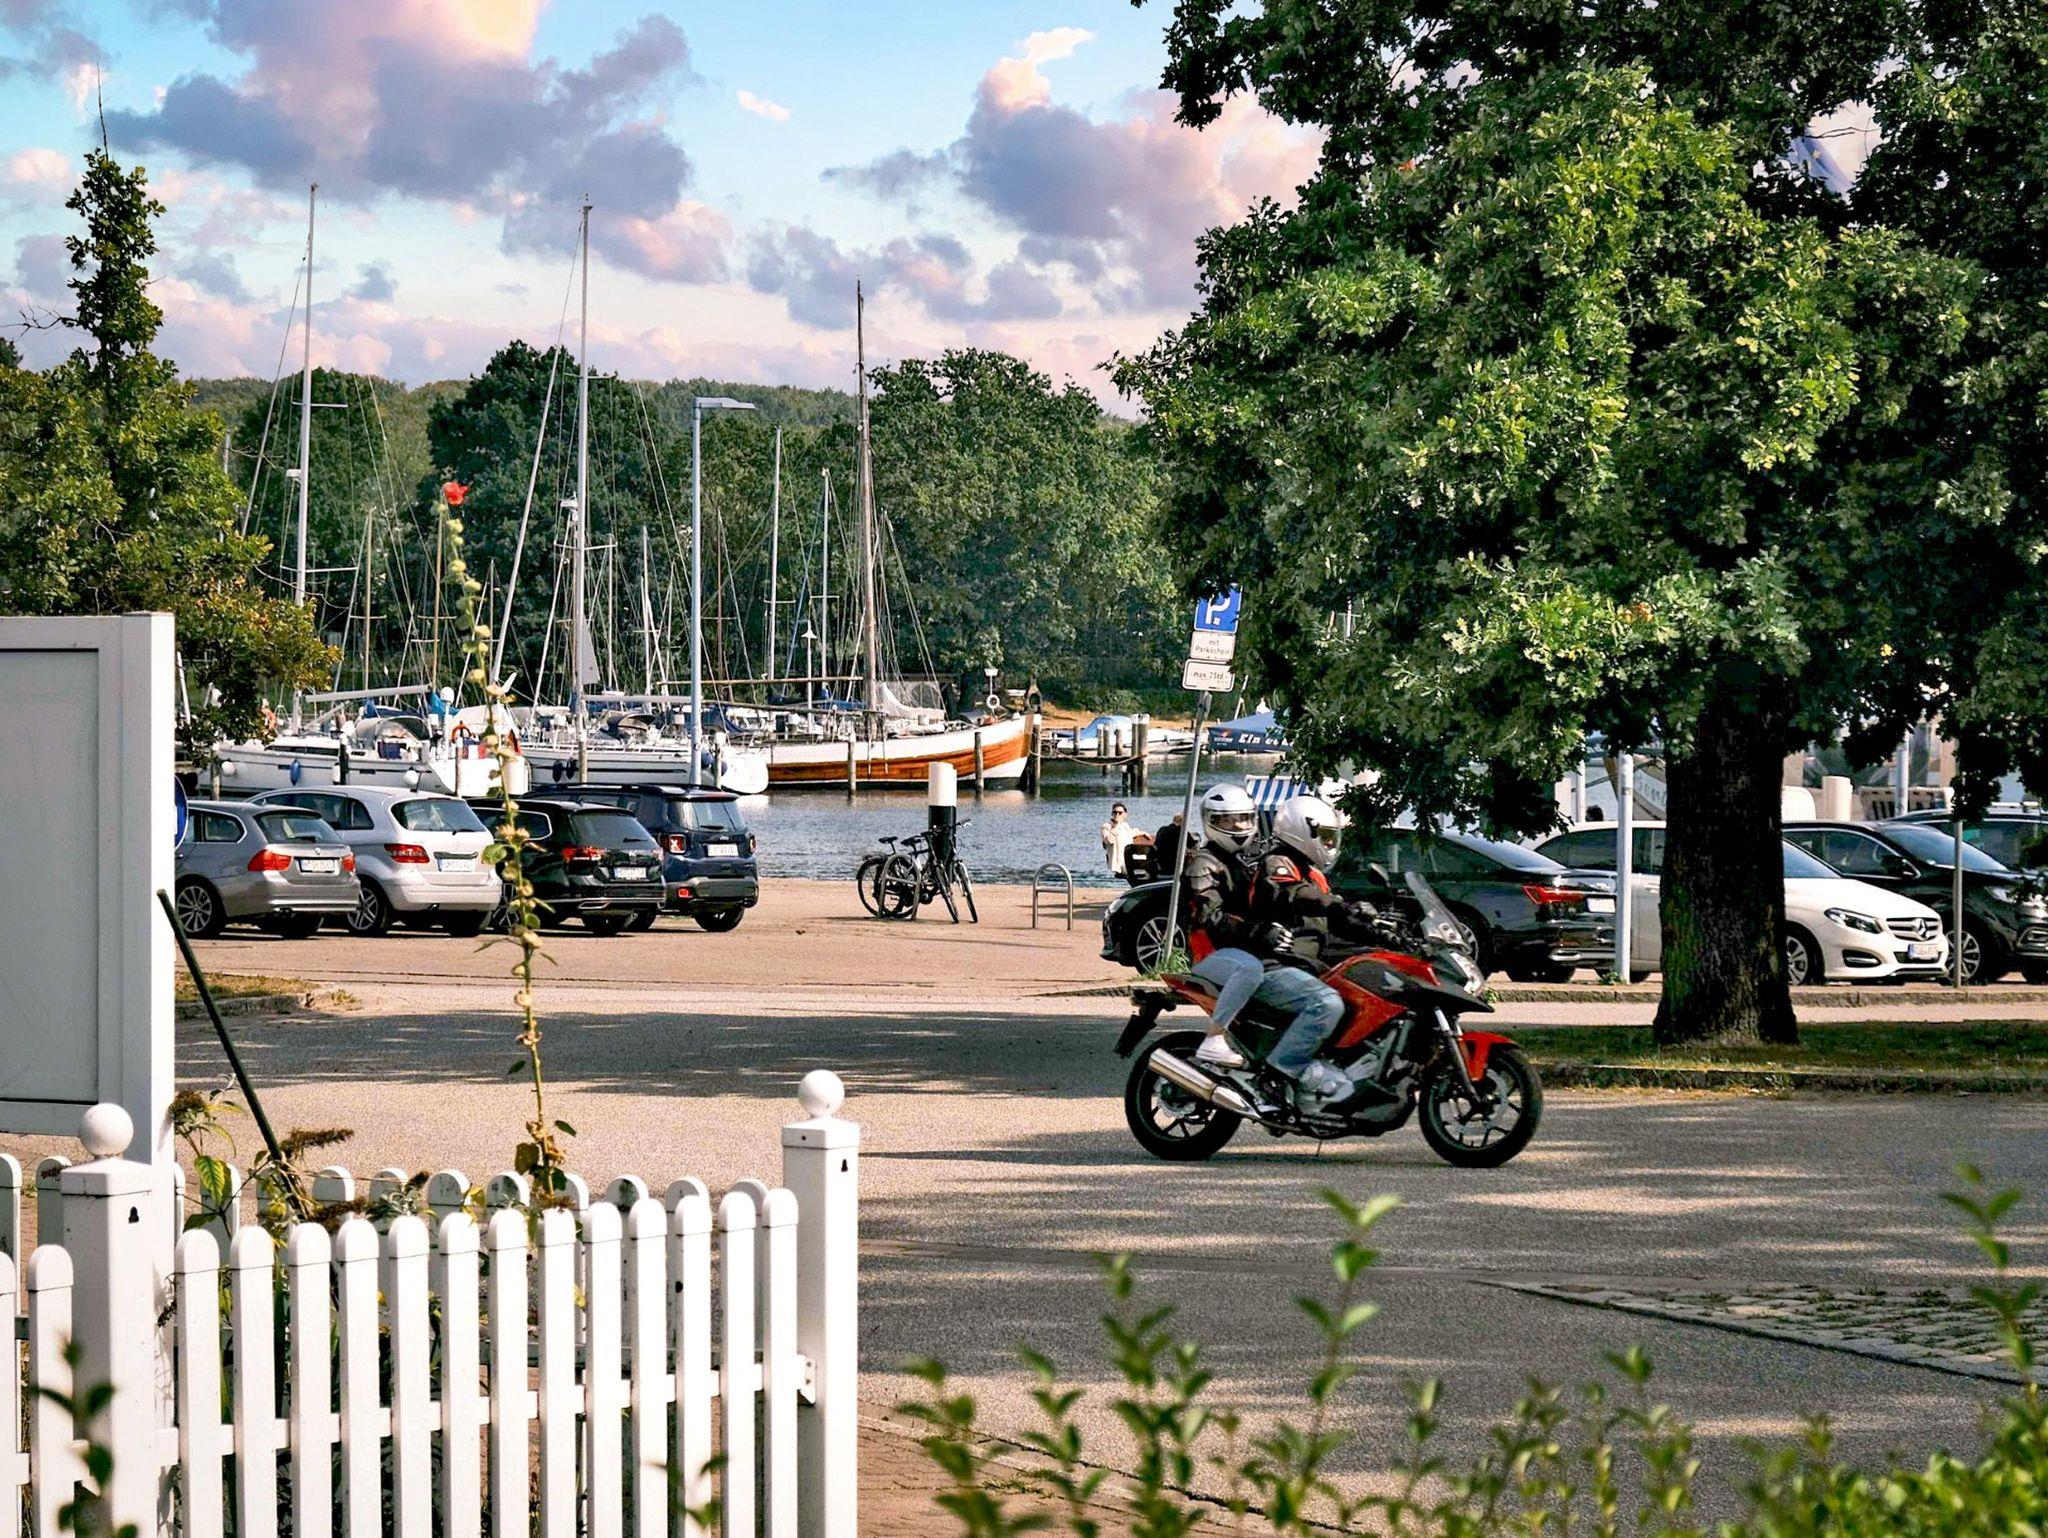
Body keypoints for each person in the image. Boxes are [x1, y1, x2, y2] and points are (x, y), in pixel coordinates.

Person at [1178, 786, 1348, 1109]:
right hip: (1209, 952)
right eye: (1228, 821)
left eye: (1244, 819)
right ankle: (1215, 1036)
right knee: (1251, 970)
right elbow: (1209, 918)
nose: (1238, 827)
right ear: (1210, 822)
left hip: (1236, 951)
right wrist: (1259, 932)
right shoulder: (1204, 863)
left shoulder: (1238, 862)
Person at [1101, 802, 1136, 878]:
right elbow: (1109, 840)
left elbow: (1132, 833)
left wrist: (1143, 833)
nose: (1117, 815)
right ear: (1112, 814)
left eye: (1120, 813)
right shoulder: (1106, 827)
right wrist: (1115, 826)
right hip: (1117, 864)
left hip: (1127, 860)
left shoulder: (1125, 826)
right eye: (1115, 812)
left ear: (1125, 815)